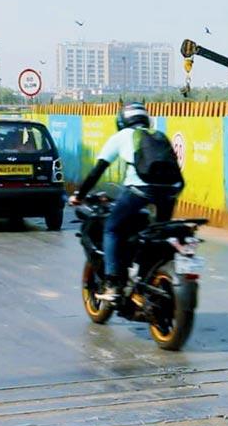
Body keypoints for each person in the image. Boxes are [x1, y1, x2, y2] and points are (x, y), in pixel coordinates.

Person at [70, 103, 184, 301]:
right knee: (156, 233)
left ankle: (113, 283)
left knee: (112, 228)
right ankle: (150, 277)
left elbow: (98, 170)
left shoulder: (122, 137)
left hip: (140, 190)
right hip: (171, 190)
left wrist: (79, 195)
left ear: (122, 121)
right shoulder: (158, 135)